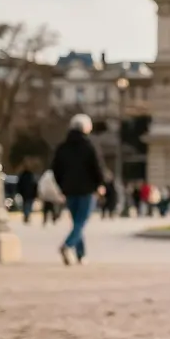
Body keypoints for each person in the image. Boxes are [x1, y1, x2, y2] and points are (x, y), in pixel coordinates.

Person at [50, 114, 106, 265]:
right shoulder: (89, 145)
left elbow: (55, 169)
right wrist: (100, 184)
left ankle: (81, 255)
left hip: (69, 189)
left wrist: (62, 185)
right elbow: (97, 167)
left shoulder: (62, 147)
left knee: (76, 222)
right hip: (87, 189)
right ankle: (67, 245)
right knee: (81, 222)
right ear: (86, 128)